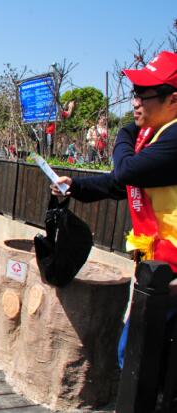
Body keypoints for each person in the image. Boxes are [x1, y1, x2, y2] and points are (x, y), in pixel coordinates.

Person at [50, 50, 177, 367]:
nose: (135, 102)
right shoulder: (151, 135)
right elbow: (119, 185)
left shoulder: (170, 139)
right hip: (156, 267)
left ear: (172, 100)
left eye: (143, 95)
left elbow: (125, 172)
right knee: (136, 356)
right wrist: (75, 186)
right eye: (135, 93)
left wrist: (124, 132)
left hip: (172, 273)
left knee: (144, 362)